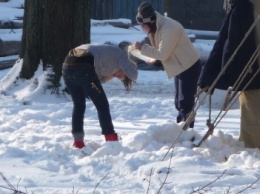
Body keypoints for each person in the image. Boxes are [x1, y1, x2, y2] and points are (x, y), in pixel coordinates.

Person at [198, 0, 260, 148]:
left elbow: (227, 41)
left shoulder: (243, 7)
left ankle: (253, 153)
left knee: (253, 120)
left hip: (252, 74)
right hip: (251, 72)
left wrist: (210, 76)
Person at [133, 1, 202, 128]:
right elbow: (159, 50)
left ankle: (186, 132)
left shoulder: (168, 29)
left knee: (185, 103)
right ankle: (181, 128)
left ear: (151, 21)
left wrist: (143, 48)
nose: (142, 27)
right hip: (180, 66)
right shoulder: (157, 26)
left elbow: (163, 54)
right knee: (179, 102)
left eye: (143, 24)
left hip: (189, 66)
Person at [62, 44, 138, 149]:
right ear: (125, 68)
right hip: (83, 63)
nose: (116, 76)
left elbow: (98, 81)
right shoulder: (122, 57)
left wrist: (112, 75)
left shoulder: (106, 62)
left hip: (67, 66)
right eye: (120, 75)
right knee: (102, 105)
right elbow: (134, 75)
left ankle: (78, 142)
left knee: (79, 105)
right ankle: (110, 138)